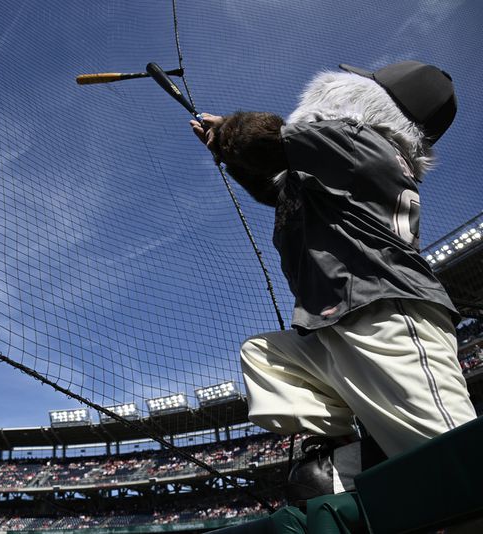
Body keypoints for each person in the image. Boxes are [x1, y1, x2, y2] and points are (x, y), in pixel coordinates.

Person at [190, 61, 476, 494]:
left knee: (461, 467)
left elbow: (266, 140)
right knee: (266, 357)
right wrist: (232, 156)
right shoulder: (345, 156)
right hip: (337, 325)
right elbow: (276, 188)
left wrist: (228, 131)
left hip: (389, 318)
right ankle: (355, 447)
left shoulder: (358, 141)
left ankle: (384, 458)